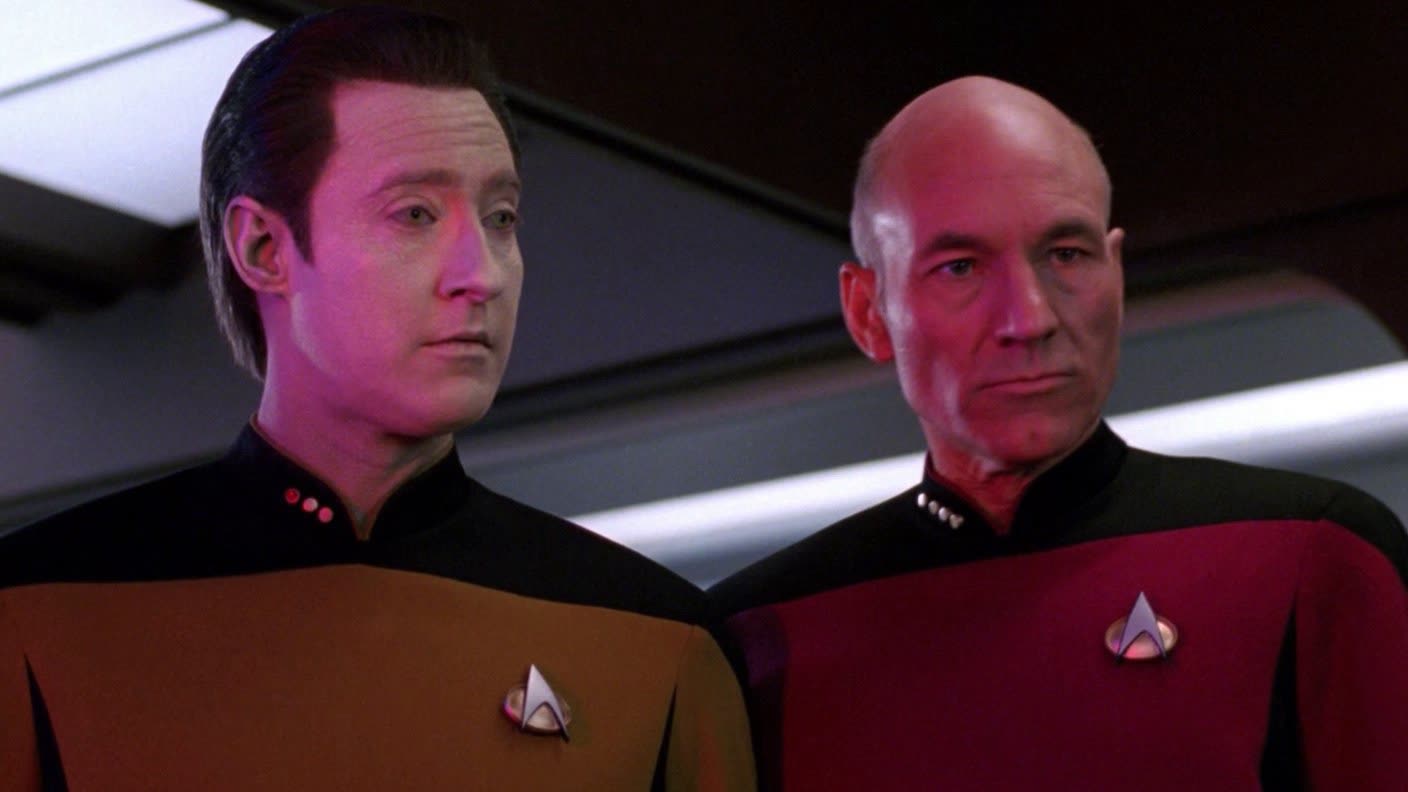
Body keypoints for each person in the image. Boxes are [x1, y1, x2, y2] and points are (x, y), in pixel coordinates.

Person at [0, 8, 753, 790]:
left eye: (501, 218)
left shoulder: (659, 638)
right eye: (415, 214)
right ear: (264, 247)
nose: (481, 274)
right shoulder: (35, 613)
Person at [710, 75, 1408, 790]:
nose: (1030, 318)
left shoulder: (1312, 557)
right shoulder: (756, 637)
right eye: (960, 267)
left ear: (1117, 273)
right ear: (868, 312)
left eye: (1066, 254)